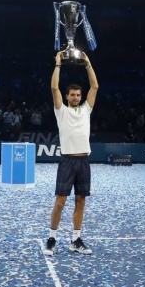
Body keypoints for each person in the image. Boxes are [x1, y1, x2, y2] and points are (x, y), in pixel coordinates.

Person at [43, 51, 98, 256]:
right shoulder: (61, 111)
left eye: (78, 95)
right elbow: (53, 87)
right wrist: (58, 64)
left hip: (84, 161)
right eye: (72, 95)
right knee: (60, 202)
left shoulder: (86, 110)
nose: (75, 97)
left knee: (81, 201)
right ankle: (51, 238)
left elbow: (95, 86)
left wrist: (88, 63)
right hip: (67, 161)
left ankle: (76, 239)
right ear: (67, 97)